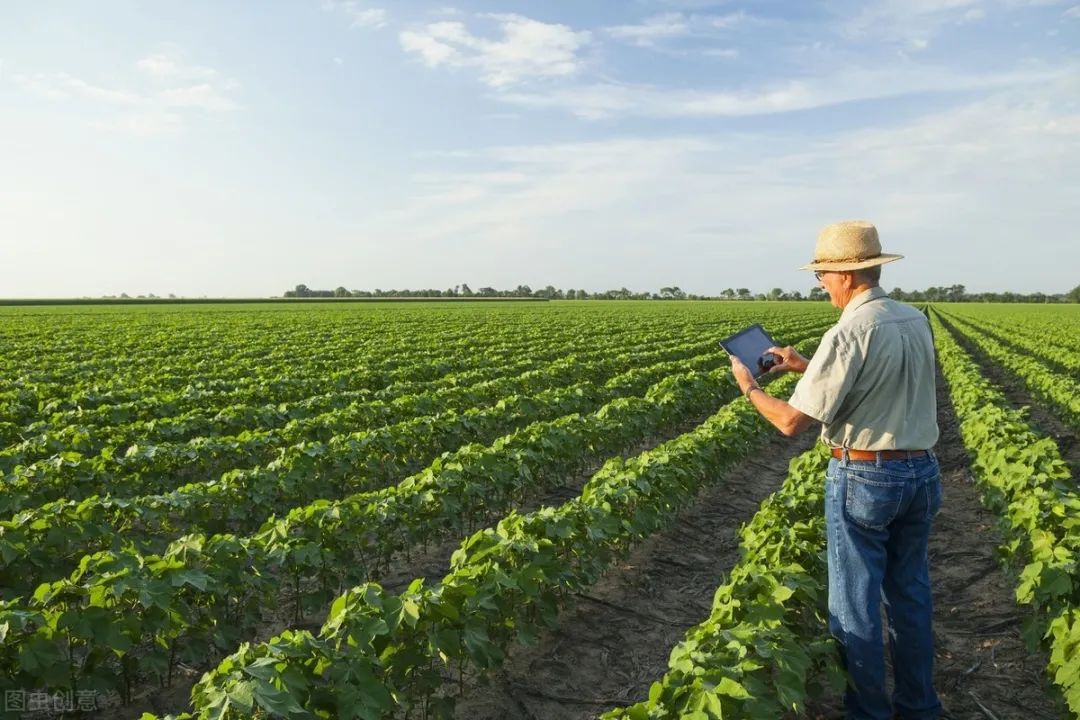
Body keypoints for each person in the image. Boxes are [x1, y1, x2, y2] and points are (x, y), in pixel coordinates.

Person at [728, 220, 942, 720]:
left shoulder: (849, 330)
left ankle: (868, 713)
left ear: (845, 275)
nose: (821, 283)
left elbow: (791, 421)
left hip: (867, 478)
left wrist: (749, 387)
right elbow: (880, 381)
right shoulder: (913, 319)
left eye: (821, 274)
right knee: (910, 594)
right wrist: (807, 365)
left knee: (854, 604)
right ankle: (920, 707)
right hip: (921, 473)